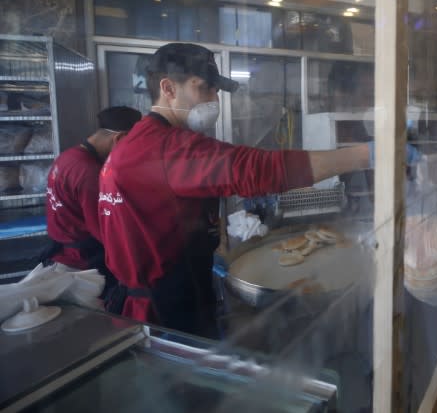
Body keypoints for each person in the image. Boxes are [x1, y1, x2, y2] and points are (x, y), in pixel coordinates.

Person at [99, 42, 373, 338]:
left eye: (215, 90)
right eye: (203, 88)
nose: (214, 98)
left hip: (155, 294)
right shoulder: (166, 146)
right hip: (163, 312)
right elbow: (258, 169)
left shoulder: (137, 141)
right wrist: (365, 155)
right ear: (168, 88)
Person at [44, 106, 141, 279]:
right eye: (132, 146)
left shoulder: (68, 157)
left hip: (62, 253)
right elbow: (104, 230)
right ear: (119, 138)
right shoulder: (90, 172)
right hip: (81, 265)